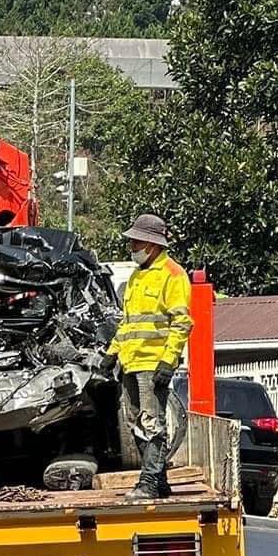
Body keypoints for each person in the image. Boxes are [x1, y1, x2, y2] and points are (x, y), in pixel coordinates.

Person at [107, 213, 193, 501]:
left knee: (152, 423)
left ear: (152, 244)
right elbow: (128, 324)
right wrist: (112, 354)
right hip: (131, 362)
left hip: (153, 364)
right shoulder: (136, 276)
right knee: (135, 423)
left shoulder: (173, 274)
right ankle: (159, 481)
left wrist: (168, 362)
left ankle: (148, 483)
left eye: (136, 241)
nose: (132, 246)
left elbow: (181, 323)